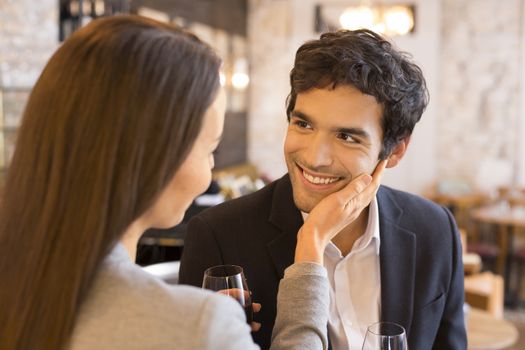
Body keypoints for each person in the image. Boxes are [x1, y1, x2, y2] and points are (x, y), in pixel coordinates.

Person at [0, 16, 384, 350]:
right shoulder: (198, 323)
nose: (208, 174)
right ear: (155, 157)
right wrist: (311, 247)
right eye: (210, 150)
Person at [179, 29, 467, 349]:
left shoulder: (434, 227)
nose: (315, 158)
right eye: (303, 124)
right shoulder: (218, 235)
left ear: (396, 150)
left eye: (346, 137)